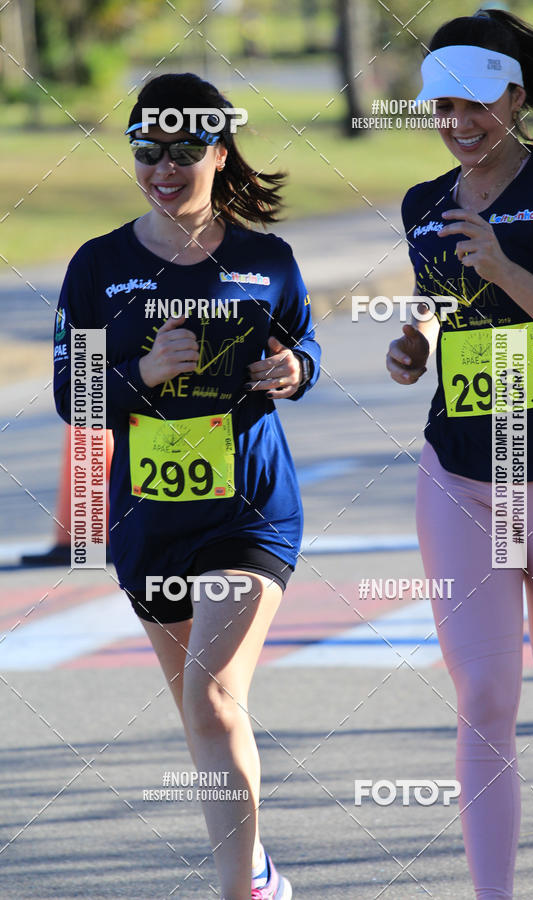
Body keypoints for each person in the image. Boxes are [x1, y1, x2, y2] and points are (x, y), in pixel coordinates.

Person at [54, 72, 321, 900]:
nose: (163, 169)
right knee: (203, 719)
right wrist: (142, 372)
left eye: (184, 151)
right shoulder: (99, 266)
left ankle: (238, 892)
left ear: (219, 152)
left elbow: (304, 346)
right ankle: (260, 871)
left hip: (250, 513)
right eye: (147, 151)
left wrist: (295, 370)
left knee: (211, 702)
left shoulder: (265, 260)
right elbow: (71, 394)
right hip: (150, 521)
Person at [387, 10, 533, 898]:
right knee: (482, 696)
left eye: (476, 103)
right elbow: (440, 305)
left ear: (514, 98)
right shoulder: (424, 204)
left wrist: (509, 269)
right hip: (461, 475)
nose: (459, 122)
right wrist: (415, 343)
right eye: (443, 106)